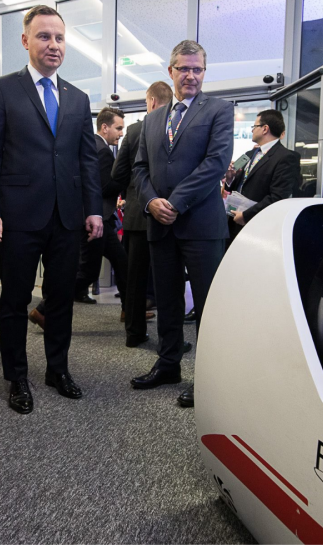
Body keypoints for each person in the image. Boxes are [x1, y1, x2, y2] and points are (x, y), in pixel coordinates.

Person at [0, 5, 102, 415]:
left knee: (61, 297)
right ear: (26, 40)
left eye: (60, 38)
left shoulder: (78, 97)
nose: (53, 44)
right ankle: (17, 377)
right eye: (44, 36)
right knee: (14, 300)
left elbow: (86, 160)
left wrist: (93, 209)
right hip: (18, 215)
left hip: (66, 216)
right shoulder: (3, 89)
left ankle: (57, 369)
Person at [130, 40, 233, 408]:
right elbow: (139, 168)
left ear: (204, 72)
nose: (191, 75)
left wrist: (174, 203)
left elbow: (215, 163)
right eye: (184, 68)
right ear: (170, 71)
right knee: (168, 300)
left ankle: (209, 377)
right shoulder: (152, 119)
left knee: (207, 304)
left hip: (201, 225)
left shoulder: (219, 110)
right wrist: (151, 201)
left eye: (197, 69)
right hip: (160, 224)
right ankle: (168, 363)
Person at [113, 82, 172, 348]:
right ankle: (170, 340)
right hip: (169, 214)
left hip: (138, 214)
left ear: (151, 101)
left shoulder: (135, 130)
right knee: (168, 278)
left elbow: (118, 173)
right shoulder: (178, 128)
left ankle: (134, 334)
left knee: (135, 278)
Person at [73, 107, 128, 311]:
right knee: (88, 271)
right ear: (105, 127)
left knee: (121, 262)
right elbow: (104, 187)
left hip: (101, 219)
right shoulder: (102, 151)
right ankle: (46, 307)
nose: (121, 134)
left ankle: (129, 311)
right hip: (97, 219)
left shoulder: (92, 145)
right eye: (118, 128)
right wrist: (126, 178)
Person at [223, 109, 300, 243]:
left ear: (265, 129)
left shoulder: (286, 157)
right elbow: (238, 186)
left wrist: (246, 215)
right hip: (234, 222)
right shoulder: (249, 154)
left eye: (254, 126)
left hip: (258, 226)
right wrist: (230, 179)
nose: (252, 130)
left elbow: (278, 196)